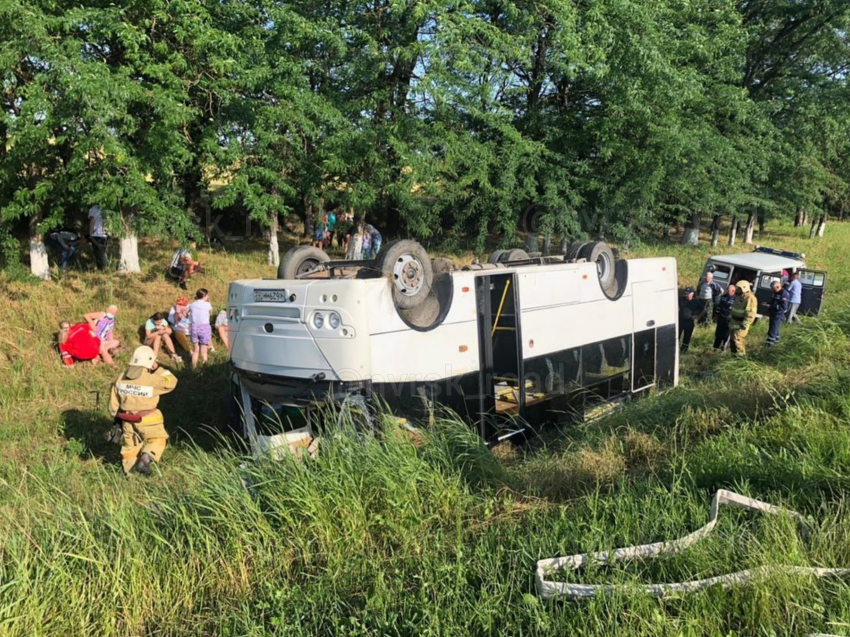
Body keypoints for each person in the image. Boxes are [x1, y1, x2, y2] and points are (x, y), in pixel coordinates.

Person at [109, 345, 178, 476]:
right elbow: (172, 381)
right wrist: (158, 369)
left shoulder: (121, 377)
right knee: (157, 440)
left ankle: (130, 476)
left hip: (127, 420)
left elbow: (113, 403)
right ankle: (146, 459)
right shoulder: (151, 379)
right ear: (150, 361)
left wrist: (116, 418)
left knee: (130, 448)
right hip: (149, 419)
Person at [728, 280, 758, 355]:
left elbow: (751, 313)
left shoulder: (750, 298)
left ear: (744, 288)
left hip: (741, 324)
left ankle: (740, 358)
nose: (737, 290)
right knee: (732, 341)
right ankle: (733, 357)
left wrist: (745, 323)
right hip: (734, 322)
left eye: (739, 288)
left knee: (738, 340)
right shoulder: (740, 296)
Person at [188, 288, 213, 368]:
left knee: (196, 350)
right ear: (204, 295)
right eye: (207, 295)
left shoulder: (192, 305)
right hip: (204, 327)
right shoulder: (207, 304)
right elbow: (210, 312)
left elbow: (186, 313)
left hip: (194, 327)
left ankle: (194, 367)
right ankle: (205, 365)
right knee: (204, 350)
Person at [765, 280, 791, 346]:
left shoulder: (784, 294)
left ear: (777, 287)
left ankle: (769, 345)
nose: (772, 290)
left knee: (773, 330)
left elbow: (783, 307)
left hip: (778, 315)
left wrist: (771, 306)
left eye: (773, 288)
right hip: (773, 313)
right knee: (775, 330)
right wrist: (768, 303)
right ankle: (776, 343)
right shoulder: (775, 293)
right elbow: (773, 301)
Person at [713, 284, 737, 350]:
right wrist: (716, 315)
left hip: (729, 319)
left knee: (726, 334)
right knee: (718, 333)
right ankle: (715, 347)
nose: (727, 291)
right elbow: (719, 306)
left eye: (729, 290)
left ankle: (724, 347)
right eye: (727, 290)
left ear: (733, 291)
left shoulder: (736, 299)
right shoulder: (723, 296)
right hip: (721, 317)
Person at [678, 287, 702, 353]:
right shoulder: (681, 299)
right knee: (677, 336)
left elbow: (703, 309)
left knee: (687, 337)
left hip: (689, 322)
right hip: (680, 321)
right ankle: (676, 350)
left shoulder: (695, 301)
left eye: (687, 294)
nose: (686, 295)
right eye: (685, 293)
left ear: (692, 294)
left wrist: (698, 316)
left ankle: (684, 350)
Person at [87, 205, 109, 270]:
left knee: (98, 253)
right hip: (103, 235)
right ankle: (103, 267)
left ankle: (102, 268)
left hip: (96, 234)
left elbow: (92, 221)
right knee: (101, 252)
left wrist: (90, 233)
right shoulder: (106, 207)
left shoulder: (93, 209)